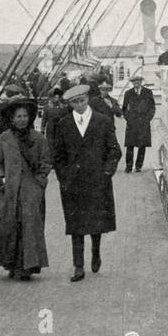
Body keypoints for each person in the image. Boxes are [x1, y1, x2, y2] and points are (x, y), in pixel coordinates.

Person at [50, 84, 121, 282]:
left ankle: (96, 252)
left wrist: (107, 172)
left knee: (96, 222)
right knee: (76, 225)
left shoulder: (103, 121)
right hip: (73, 183)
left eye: (82, 100)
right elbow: (58, 155)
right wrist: (63, 177)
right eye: (75, 102)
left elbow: (114, 150)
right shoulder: (63, 124)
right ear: (70, 104)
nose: (79, 105)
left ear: (88, 99)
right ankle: (78, 265)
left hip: (97, 181)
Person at [0, 98, 51, 280]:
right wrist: (1, 179)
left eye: (25, 116)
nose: (22, 119)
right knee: (10, 226)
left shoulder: (38, 138)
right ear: (11, 118)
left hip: (30, 191)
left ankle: (29, 267)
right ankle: (12, 265)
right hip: (9, 190)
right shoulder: (4, 138)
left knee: (30, 228)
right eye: (18, 116)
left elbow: (46, 162)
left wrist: (39, 183)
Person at [121, 74, 154, 173]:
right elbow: (124, 109)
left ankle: (139, 166)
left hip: (144, 122)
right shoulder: (128, 93)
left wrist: (148, 118)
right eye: (134, 81)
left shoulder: (148, 92)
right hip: (132, 123)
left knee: (142, 145)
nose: (136, 83)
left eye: (138, 81)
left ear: (141, 82)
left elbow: (152, 107)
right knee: (130, 145)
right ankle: (129, 166)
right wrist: (128, 119)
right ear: (132, 83)